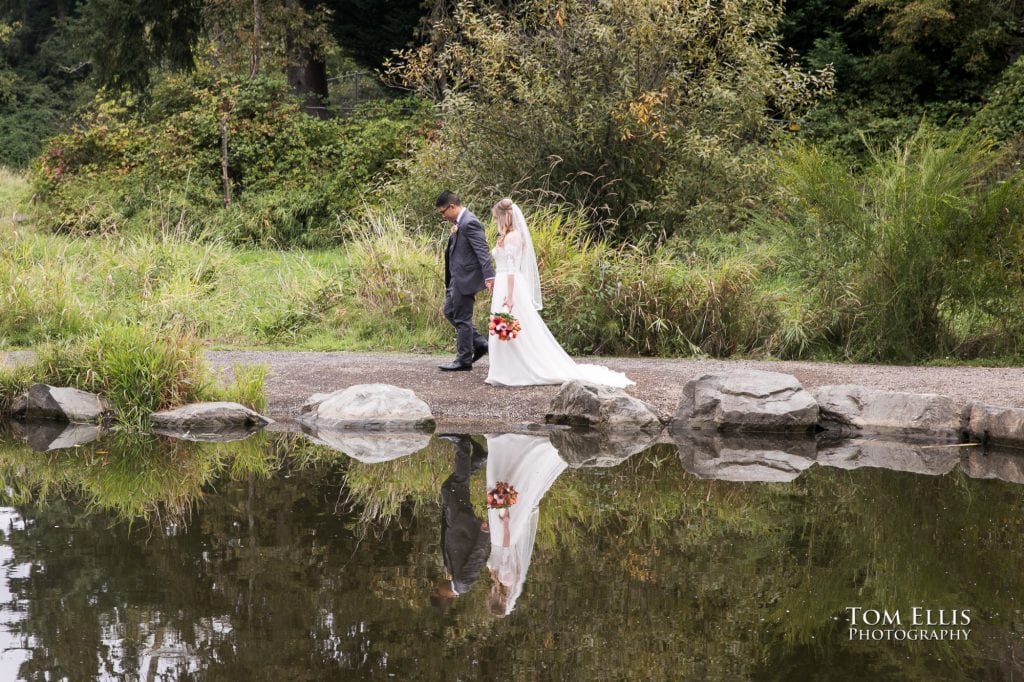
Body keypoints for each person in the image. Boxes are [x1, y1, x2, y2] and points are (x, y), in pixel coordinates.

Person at [485, 198, 634, 387]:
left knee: (509, 327)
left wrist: (510, 295)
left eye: (497, 218)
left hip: (510, 286)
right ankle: (504, 370)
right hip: (503, 283)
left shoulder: (513, 236)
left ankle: (514, 371)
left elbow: (512, 269)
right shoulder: (507, 235)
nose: (496, 221)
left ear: (506, 216)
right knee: (503, 328)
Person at [485, 433, 568, 616]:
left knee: (501, 488)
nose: (489, 595)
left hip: (499, 536)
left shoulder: (499, 579)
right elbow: (506, 549)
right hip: (503, 534)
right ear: (498, 599)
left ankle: (505, 452)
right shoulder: (505, 578)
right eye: (492, 598)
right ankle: (511, 450)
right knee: (503, 490)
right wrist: (505, 524)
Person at [437, 191, 495, 372]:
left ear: (452, 206)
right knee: (449, 311)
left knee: (462, 317)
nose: (443, 216)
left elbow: (482, 250)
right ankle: (479, 343)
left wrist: (490, 276)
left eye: (443, 212)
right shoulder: (458, 222)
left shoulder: (470, 222)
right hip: (455, 278)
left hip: (465, 278)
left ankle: (463, 359)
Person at [435, 434, 490, 605]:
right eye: (437, 590)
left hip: (456, 522)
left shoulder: (454, 577)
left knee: (448, 488)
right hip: (465, 525)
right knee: (458, 484)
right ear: (445, 596)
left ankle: (478, 458)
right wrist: (484, 533)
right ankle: (463, 446)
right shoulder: (463, 583)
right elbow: (477, 558)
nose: (437, 586)